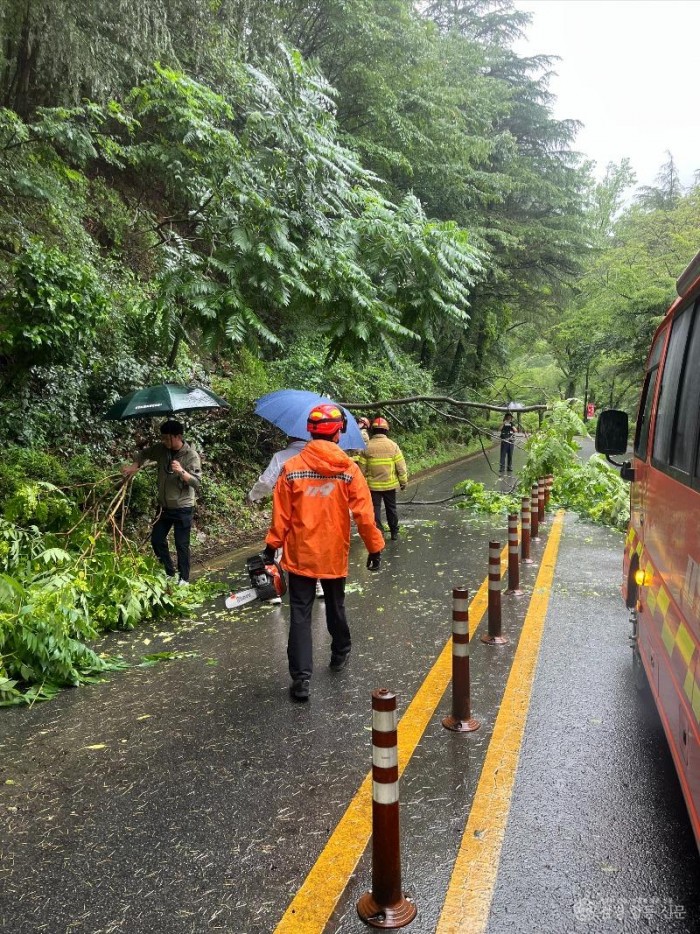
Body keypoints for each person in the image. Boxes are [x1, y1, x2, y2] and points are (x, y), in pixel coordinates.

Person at [262, 403, 385, 702]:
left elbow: (281, 517)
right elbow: (364, 515)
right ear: (338, 433)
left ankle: (301, 680)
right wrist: (374, 547)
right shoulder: (349, 470)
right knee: (335, 605)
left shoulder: (292, 468)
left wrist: (271, 547)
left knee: (300, 614)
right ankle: (340, 651)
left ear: (310, 432)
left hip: (300, 554)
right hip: (333, 552)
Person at [121, 419, 202, 585]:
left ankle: (184, 579)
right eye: (162, 438)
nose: (164, 441)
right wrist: (134, 466)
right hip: (164, 507)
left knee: (181, 544)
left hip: (183, 507)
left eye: (167, 438)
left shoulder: (191, 456)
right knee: (157, 540)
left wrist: (181, 471)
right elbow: (143, 454)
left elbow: (196, 482)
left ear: (178, 436)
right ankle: (169, 573)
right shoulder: (161, 450)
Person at [248, 437, 325, 601]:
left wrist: (253, 495)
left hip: (287, 508)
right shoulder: (318, 456)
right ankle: (318, 584)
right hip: (314, 508)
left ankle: (274, 589)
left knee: (278, 546)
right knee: (312, 546)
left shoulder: (281, 457)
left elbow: (266, 482)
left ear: (291, 436)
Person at [358, 416, 408, 540]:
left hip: (373, 486)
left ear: (373, 430)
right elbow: (401, 467)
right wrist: (403, 482)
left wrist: (360, 486)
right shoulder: (393, 446)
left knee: (375, 510)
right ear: (386, 430)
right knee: (391, 508)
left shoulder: (367, 447)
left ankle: (379, 533)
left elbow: (361, 470)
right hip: (390, 485)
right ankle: (394, 532)